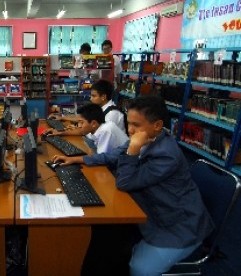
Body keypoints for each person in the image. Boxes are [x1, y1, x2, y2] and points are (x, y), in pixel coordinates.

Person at [53, 96, 214, 276]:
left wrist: (132, 152)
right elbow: (110, 156)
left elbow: (125, 182)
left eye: (136, 125)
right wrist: (76, 159)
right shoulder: (145, 138)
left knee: (139, 269)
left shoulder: (166, 155)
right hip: (153, 210)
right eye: (128, 123)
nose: (130, 130)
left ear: (157, 126)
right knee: (106, 240)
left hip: (178, 226)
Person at [46, 103, 128, 155]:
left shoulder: (106, 130)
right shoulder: (98, 127)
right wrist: (60, 132)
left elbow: (100, 159)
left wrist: (75, 158)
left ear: (93, 123)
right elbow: (81, 132)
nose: (79, 125)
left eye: (81, 122)